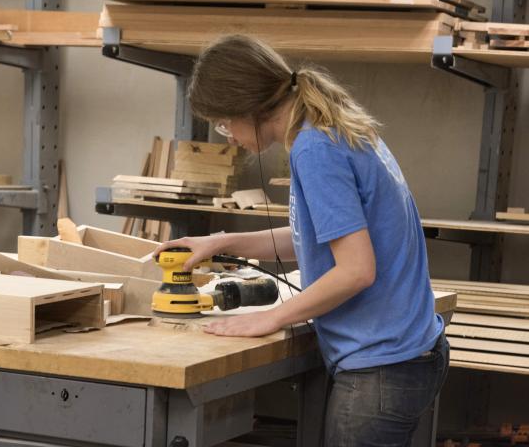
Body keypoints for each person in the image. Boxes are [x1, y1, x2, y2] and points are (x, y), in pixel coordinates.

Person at [154, 34, 449, 446]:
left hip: (381, 368)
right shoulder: (330, 125)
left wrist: (273, 317)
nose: (227, 136)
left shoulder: (315, 149)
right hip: (404, 354)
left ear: (247, 107)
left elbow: (356, 270)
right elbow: (315, 239)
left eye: (223, 123)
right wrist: (220, 243)